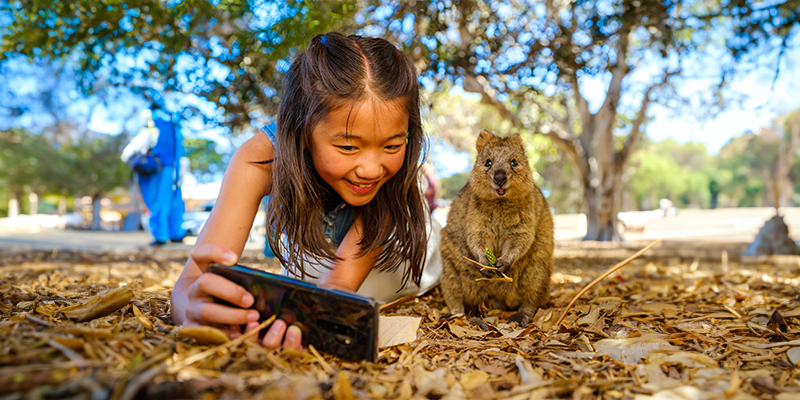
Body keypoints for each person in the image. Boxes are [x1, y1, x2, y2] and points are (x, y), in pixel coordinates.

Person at [170, 32, 442, 350]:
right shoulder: (259, 158)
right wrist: (194, 308)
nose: (371, 168)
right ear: (302, 129)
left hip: (407, 254)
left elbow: (339, 285)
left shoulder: (388, 180)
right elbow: (190, 281)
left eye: (393, 145)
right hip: (322, 260)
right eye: (348, 146)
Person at [121, 104, 188, 246]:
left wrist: (130, 157)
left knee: (155, 202)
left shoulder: (153, 126)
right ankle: (175, 234)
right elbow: (180, 155)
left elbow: (129, 152)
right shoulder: (174, 128)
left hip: (154, 170)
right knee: (170, 201)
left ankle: (160, 236)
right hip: (171, 169)